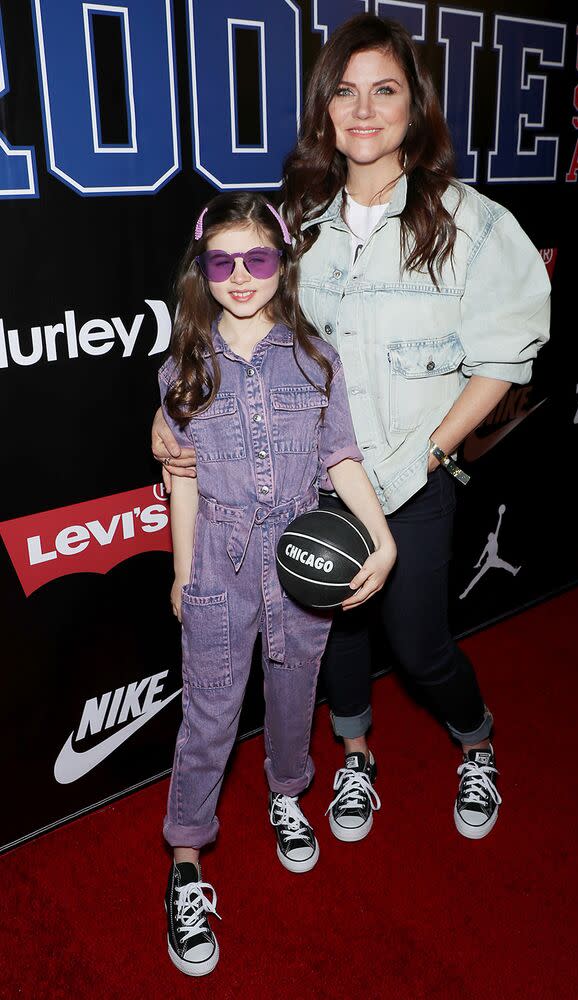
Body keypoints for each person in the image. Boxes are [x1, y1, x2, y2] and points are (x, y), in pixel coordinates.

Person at [153, 14, 550, 854]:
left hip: (408, 478)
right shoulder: (298, 223)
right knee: (329, 646)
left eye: (384, 90)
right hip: (305, 484)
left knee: (417, 643)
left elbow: (507, 355)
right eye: (344, 90)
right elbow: (240, 333)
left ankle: (474, 741)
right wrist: (170, 411)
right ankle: (356, 755)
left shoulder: (467, 221)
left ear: (416, 107)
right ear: (323, 109)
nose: (362, 110)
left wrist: (435, 450)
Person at [158, 191, 396, 977]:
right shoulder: (183, 367)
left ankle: (287, 795)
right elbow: (183, 480)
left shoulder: (314, 356)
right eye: (221, 261)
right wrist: (182, 573)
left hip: (298, 555)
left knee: (294, 697)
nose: (239, 276)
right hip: (219, 557)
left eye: (256, 259)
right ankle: (186, 860)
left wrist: (383, 540)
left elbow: (342, 458)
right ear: (203, 270)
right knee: (210, 710)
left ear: (281, 263)